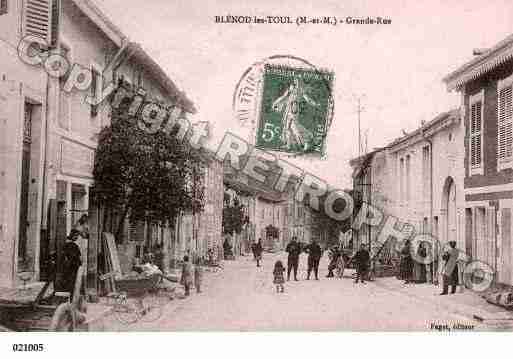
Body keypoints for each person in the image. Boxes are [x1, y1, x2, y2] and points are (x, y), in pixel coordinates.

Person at [62, 229, 83, 299]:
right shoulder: (73, 246)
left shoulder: (67, 244)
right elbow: (78, 257)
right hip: (72, 268)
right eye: (76, 236)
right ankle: (71, 298)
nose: (77, 237)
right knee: (72, 284)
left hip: (68, 267)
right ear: (72, 235)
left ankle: (69, 297)